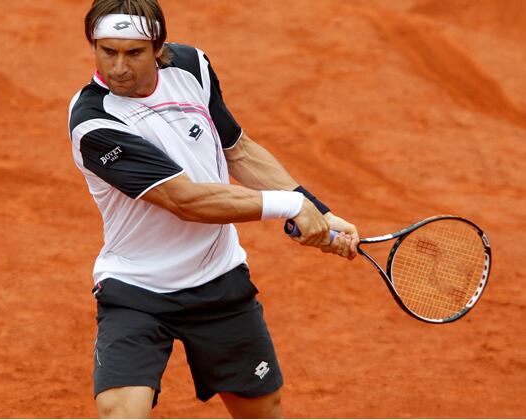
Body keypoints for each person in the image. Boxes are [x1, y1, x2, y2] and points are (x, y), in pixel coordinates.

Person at [67, 0, 360, 417]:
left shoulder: (191, 67)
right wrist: (291, 205)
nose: (117, 67)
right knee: (120, 413)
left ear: (157, 48)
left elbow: (237, 149)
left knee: (263, 411)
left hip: (218, 279)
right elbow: (186, 200)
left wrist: (318, 212)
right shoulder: (94, 122)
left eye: (133, 53)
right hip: (136, 289)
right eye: (106, 51)